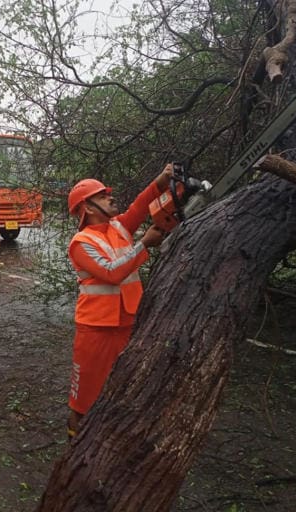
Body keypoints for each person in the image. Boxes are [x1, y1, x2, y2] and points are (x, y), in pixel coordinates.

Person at [64, 163, 174, 438]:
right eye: (102, 197)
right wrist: (143, 244)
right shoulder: (81, 243)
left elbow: (140, 206)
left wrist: (160, 182)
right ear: (87, 208)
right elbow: (111, 273)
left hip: (128, 321)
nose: (110, 198)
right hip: (97, 329)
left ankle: (106, 441)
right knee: (84, 397)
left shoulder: (118, 227)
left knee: (121, 388)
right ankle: (75, 447)